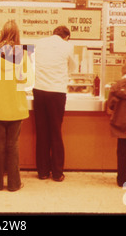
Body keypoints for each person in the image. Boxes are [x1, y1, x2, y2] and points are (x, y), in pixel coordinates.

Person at [0, 21, 34, 191]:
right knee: (13, 146)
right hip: (16, 107)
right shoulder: (23, 55)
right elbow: (28, 81)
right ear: (17, 34)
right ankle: (14, 183)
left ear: (2, 33)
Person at [33, 25, 76, 182]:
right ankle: (57, 173)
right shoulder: (68, 46)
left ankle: (42, 172)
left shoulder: (40, 43)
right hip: (57, 92)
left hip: (39, 91)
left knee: (42, 132)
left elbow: (34, 64)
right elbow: (72, 67)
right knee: (56, 132)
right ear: (66, 37)